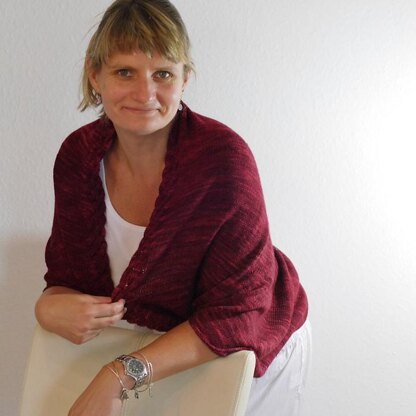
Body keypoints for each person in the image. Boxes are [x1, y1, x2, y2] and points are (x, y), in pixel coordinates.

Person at [35, 1, 311, 415]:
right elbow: (68, 282)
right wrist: (47, 306)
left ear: (185, 79)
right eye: (124, 72)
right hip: (151, 353)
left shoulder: (223, 161)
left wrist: (119, 375)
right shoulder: (78, 157)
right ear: (95, 75)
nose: (145, 93)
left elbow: (235, 313)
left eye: (162, 73)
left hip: (249, 351)